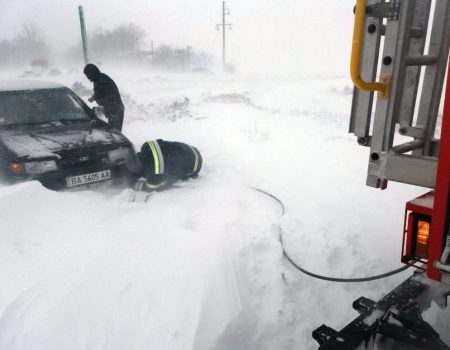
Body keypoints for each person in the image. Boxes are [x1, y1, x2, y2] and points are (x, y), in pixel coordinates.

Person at [125, 139, 203, 192]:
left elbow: (152, 187)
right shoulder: (147, 147)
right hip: (191, 149)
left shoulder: (155, 173)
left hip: (195, 166)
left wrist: (135, 185)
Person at [83, 63, 125, 131]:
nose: (88, 78)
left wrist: (110, 112)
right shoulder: (99, 79)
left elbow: (110, 96)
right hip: (113, 110)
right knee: (113, 133)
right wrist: (94, 97)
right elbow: (101, 93)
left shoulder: (102, 81)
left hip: (115, 111)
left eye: (87, 75)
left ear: (91, 74)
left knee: (115, 134)